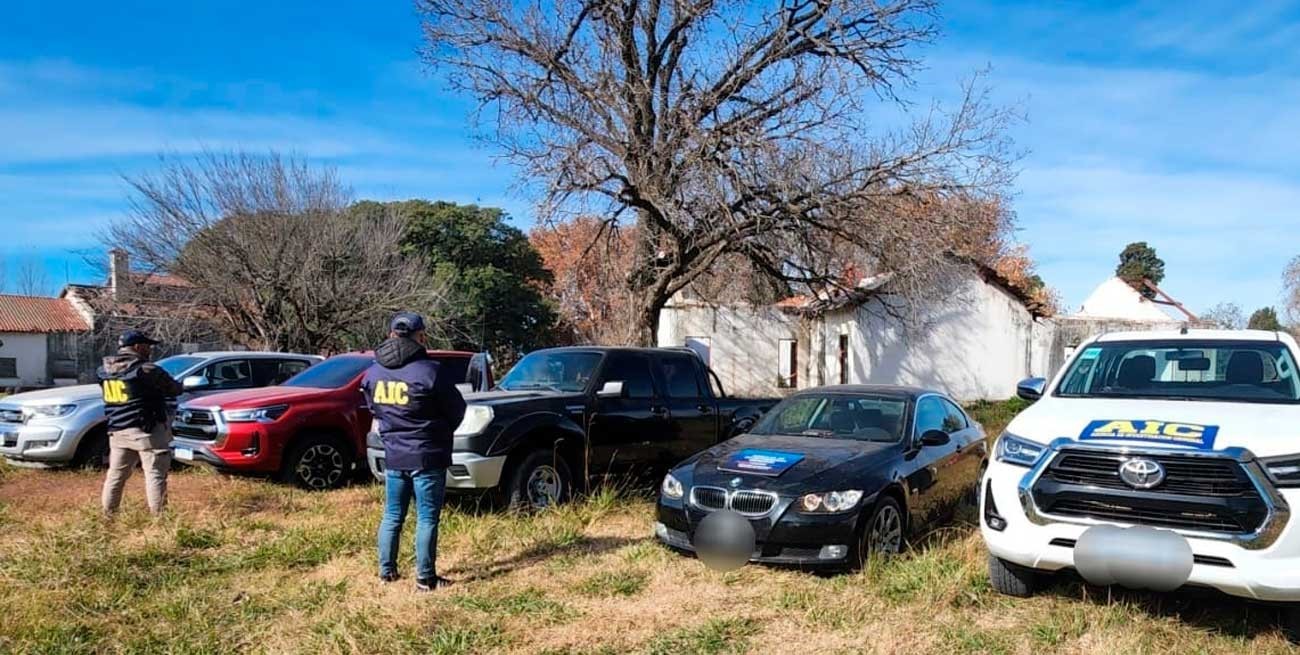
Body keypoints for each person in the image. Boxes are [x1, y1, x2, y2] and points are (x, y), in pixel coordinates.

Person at [362, 312, 466, 591]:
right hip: (428, 454)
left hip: (394, 453)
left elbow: (374, 409)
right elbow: (457, 410)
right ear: (420, 337)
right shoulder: (430, 371)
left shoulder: (373, 373)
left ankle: (386, 572)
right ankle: (425, 578)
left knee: (393, 515)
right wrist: (440, 431)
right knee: (427, 517)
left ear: (391, 335)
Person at [99, 330, 183, 517]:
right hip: (146, 430)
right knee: (155, 475)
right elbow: (174, 388)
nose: (150, 350)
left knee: (115, 476)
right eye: (148, 346)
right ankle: (159, 519)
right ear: (137, 347)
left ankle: (108, 516)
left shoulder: (103, 370)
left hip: (118, 429)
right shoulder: (146, 369)